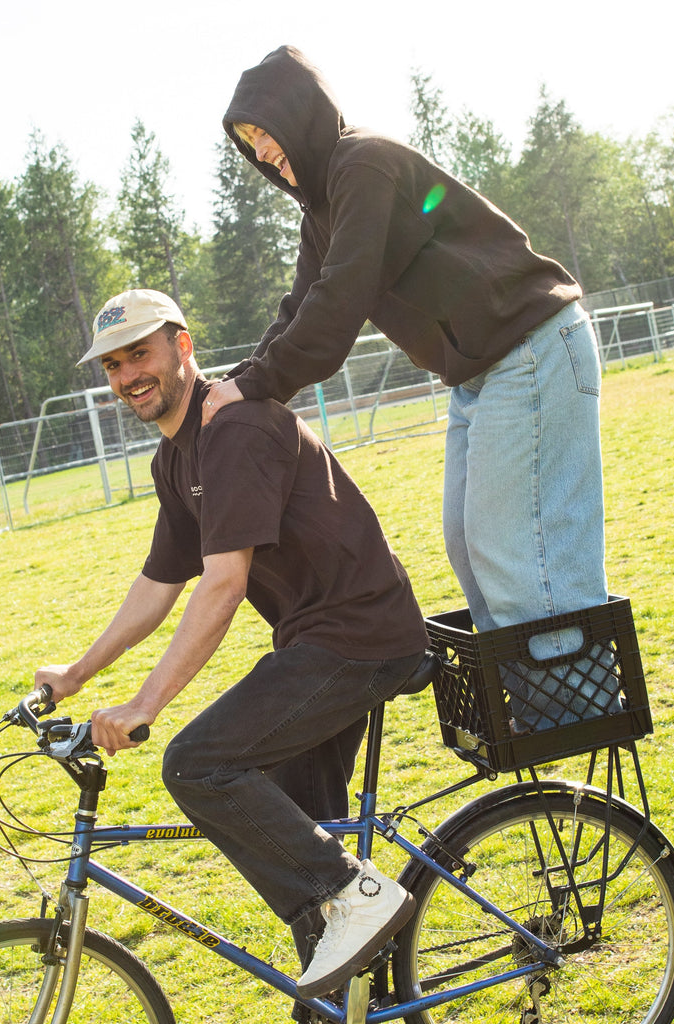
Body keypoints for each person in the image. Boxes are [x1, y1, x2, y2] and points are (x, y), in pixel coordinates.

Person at [34, 288, 431, 1005]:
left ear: (182, 347)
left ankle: (360, 895)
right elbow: (158, 586)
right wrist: (76, 673)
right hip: (316, 642)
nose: (128, 376)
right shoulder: (176, 457)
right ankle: (345, 989)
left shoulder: (235, 430)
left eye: (141, 354)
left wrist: (145, 705)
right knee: (299, 837)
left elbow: (221, 586)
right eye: (114, 366)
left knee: (199, 764)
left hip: (359, 637)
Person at [210, 46, 610, 729]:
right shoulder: (323, 209)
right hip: (480, 375)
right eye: (249, 144)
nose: (262, 151)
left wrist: (257, 387)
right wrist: (241, 384)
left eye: (264, 131)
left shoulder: (364, 164)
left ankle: (572, 713)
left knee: (517, 548)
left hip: (532, 348)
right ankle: (535, 704)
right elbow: (300, 304)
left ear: (299, 111)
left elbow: (338, 302)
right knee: (468, 542)